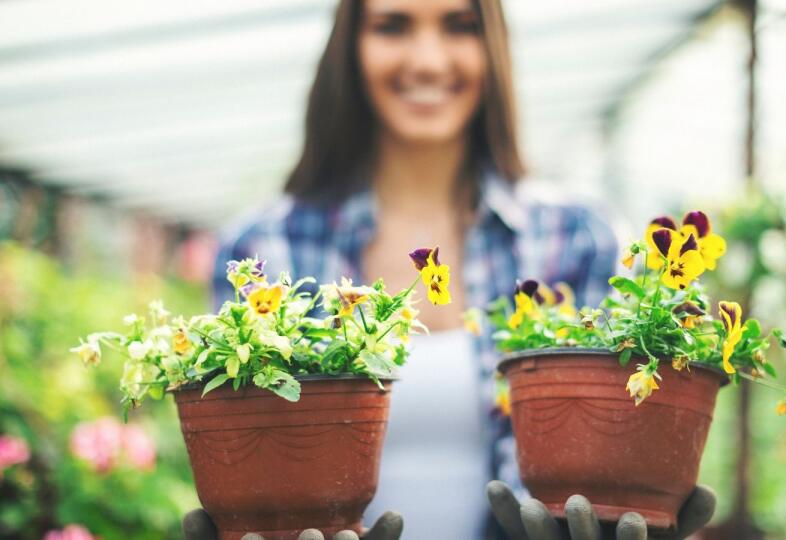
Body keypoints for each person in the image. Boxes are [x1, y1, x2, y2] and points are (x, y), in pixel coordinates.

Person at [185, 0, 715, 538]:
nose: (429, 61)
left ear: (493, 46)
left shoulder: (574, 239)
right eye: (393, 26)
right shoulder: (267, 247)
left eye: (459, 26)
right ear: (350, 49)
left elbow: (623, 442)